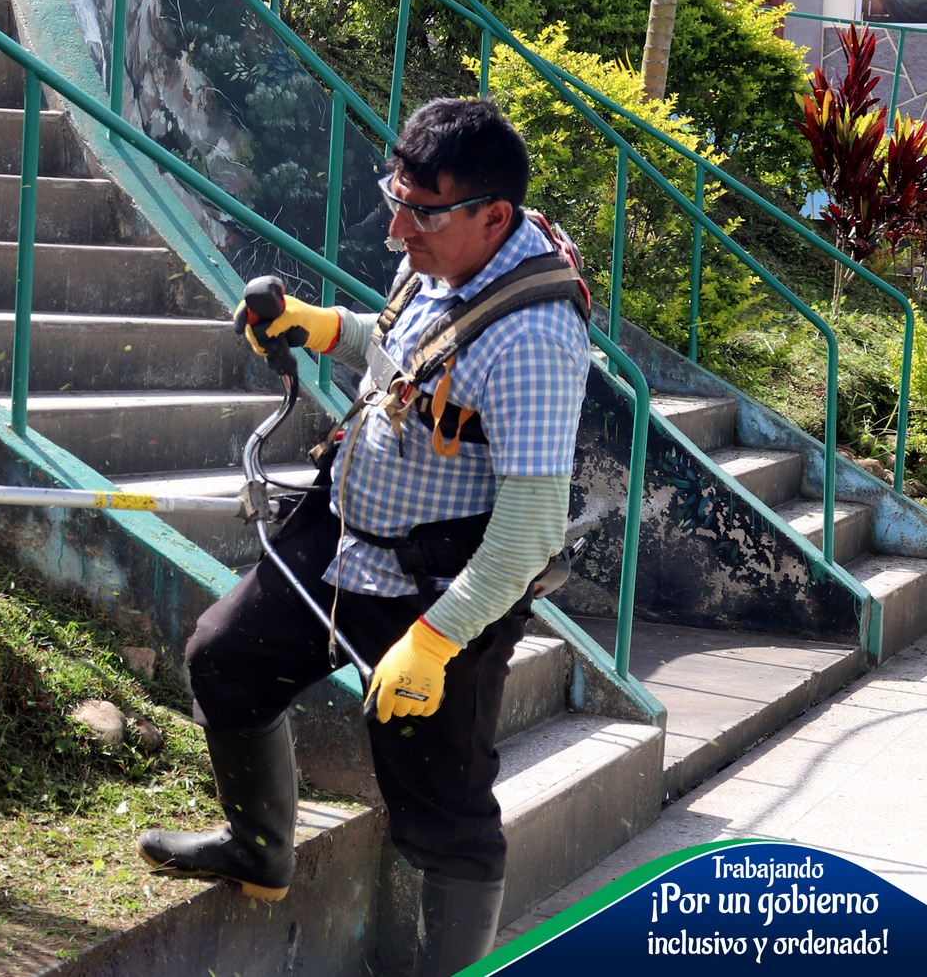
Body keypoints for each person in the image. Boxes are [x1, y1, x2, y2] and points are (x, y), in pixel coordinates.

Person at [137, 98, 592, 977]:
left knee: (444, 815)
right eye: (398, 198)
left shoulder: (536, 337)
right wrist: (322, 326)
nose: (396, 228)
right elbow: (405, 357)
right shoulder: (443, 256)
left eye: (418, 211)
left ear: (493, 216)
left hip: (442, 589)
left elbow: (532, 525)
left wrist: (435, 642)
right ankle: (259, 849)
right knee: (225, 657)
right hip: (345, 538)